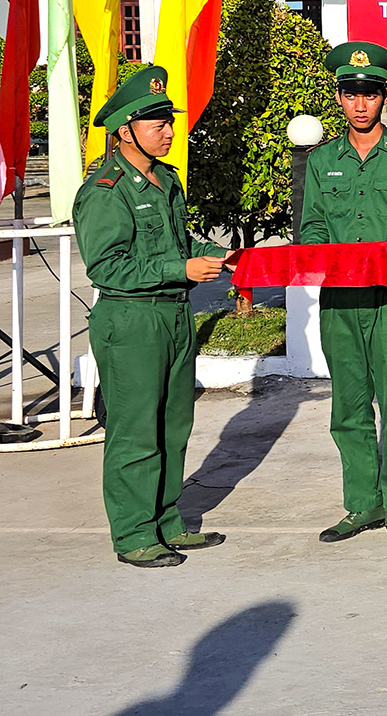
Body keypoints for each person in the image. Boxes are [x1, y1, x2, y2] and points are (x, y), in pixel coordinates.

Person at [73, 66, 228, 567]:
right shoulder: (105, 189)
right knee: (136, 429)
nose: (168, 130)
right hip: (132, 319)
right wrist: (180, 267)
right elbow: (107, 264)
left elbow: (179, 242)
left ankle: (166, 521)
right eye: (156, 123)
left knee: (173, 425)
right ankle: (134, 533)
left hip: (174, 315)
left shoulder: (164, 179)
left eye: (169, 121)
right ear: (125, 131)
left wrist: (217, 255)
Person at [301, 42, 387, 544]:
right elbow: (312, 225)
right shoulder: (321, 161)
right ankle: (362, 505)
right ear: (338, 98)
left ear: (385, 97)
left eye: (371, 95)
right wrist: (322, 253)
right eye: (351, 94)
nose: (361, 104)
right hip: (341, 298)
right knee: (349, 406)